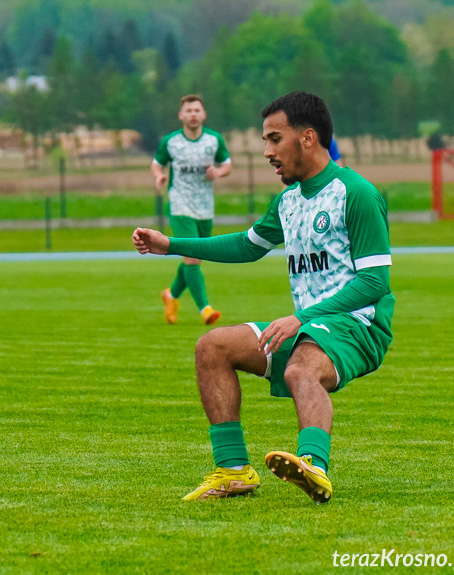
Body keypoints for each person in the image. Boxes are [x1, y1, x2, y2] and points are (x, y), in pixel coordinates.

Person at [133, 92, 393, 504]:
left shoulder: (356, 194)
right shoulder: (289, 200)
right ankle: (233, 470)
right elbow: (246, 245)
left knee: (300, 369)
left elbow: (375, 283)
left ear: (307, 138)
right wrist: (170, 244)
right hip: (311, 324)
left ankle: (314, 465)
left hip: (358, 324)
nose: (267, 152)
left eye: (274, 139)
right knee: (212, 347)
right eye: (265, 141)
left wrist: (301, 317)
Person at [152, 94, 232, 326]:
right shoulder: (171, 142)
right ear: (181, 115)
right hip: (180, 205)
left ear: (204, 114)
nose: (193, 114)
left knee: (195, 257)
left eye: (197, 110)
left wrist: (219, 172)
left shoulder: (214, 140)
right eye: (189, 111)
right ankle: (205, 308)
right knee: (192, 256)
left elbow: (227, 164)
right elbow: (157, 163)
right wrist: (159, 177)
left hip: (205, 207)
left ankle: (171, 295)